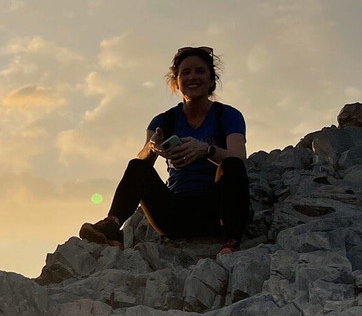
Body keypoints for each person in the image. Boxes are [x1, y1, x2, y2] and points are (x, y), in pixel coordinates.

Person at [79, 46, 249, 257]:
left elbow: (239, 157)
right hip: (175, 215)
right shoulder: (164, 121)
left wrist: (206, 150)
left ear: (212, 79)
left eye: (199, 71)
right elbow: (141, 163)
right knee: (137, 165)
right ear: (176, 82)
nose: (192, 77)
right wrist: (152, 148)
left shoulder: (227, 115)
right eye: (185, 72)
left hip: (217, 212)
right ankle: (112, 225)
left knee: (232, 165)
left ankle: (231, 240)